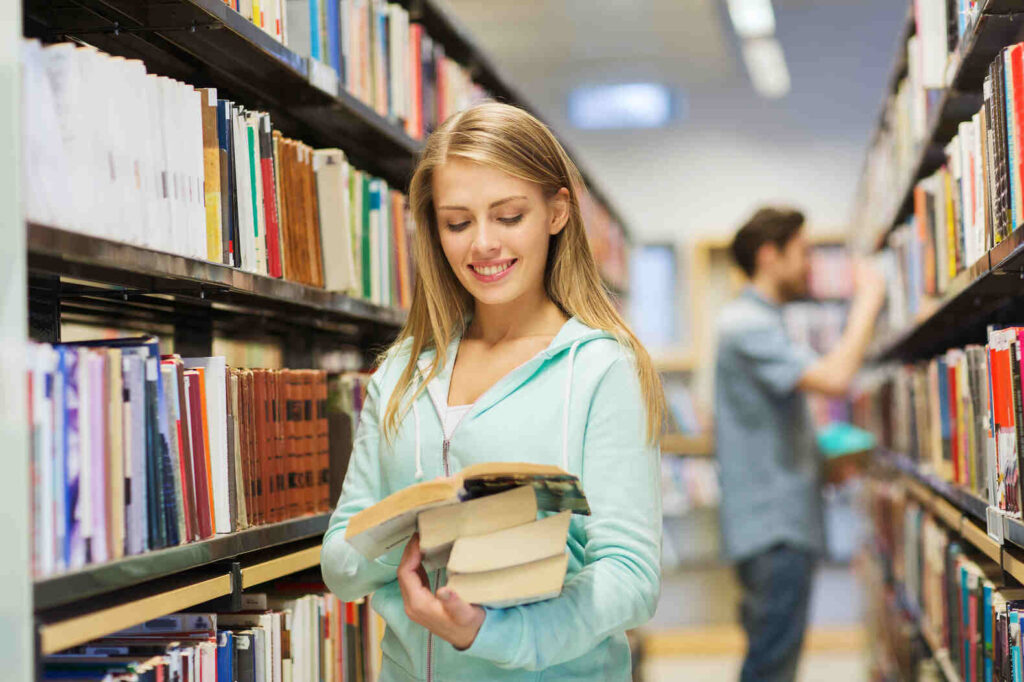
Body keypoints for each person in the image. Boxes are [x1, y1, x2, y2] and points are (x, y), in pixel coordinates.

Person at [321, 101, 665, 681]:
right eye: (458, 222)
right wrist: (413, 536)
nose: (482, 243)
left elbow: (630, 575)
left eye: (508, 216)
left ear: (557, 212)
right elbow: (339, 563)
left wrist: (492, 634)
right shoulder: (402, 373)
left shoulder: (602, 368)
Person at [714, 207, 885, 682]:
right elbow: (834, 378)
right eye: (803, 252)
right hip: (774, 531)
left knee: (773, 660)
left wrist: (824, 463)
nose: (811, 265)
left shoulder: (762, 321)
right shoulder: (745, 325)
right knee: (771, 667)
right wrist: (869, 300)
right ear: (770, 256)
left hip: (778, 525)